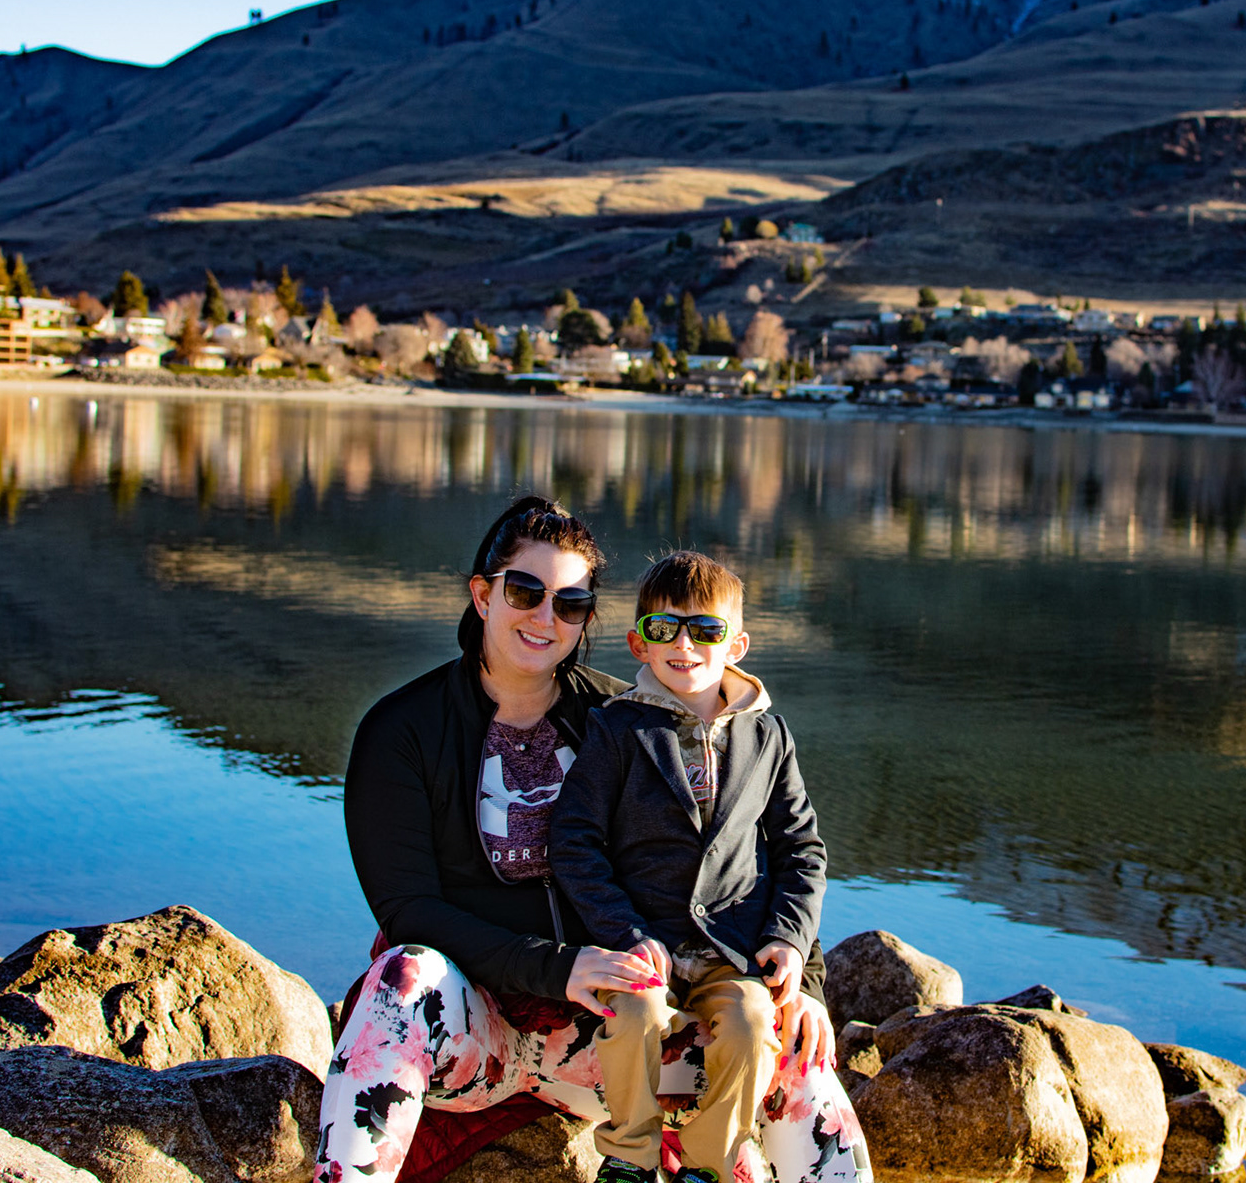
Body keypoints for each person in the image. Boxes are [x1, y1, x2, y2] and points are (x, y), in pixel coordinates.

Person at [315, 497, 869, 1183]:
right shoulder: (403, 731)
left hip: (619, 1040)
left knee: (796, 1053)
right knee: (402, 977)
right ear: (483, 595)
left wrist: (805, 983)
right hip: (481, 1030)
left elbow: (755, 851)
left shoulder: (630, 720)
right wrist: (559, 968)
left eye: (571, 603)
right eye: (526, 591)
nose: (546, 617)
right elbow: (408, 909)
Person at [550, 551, 825, 1183]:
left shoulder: (769, 737)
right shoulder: (617, 729)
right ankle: (630, 1154)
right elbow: (574, 841)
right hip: (645, 942)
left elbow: (800, 850)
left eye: (705, 630)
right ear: (639, 643)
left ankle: (708, 1162)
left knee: (752, 1025)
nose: (683, 644)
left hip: (733, 950)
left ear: (736, 645)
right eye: (664, 628)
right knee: (633, 1016)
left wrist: (789, 940)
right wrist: (624, 932)